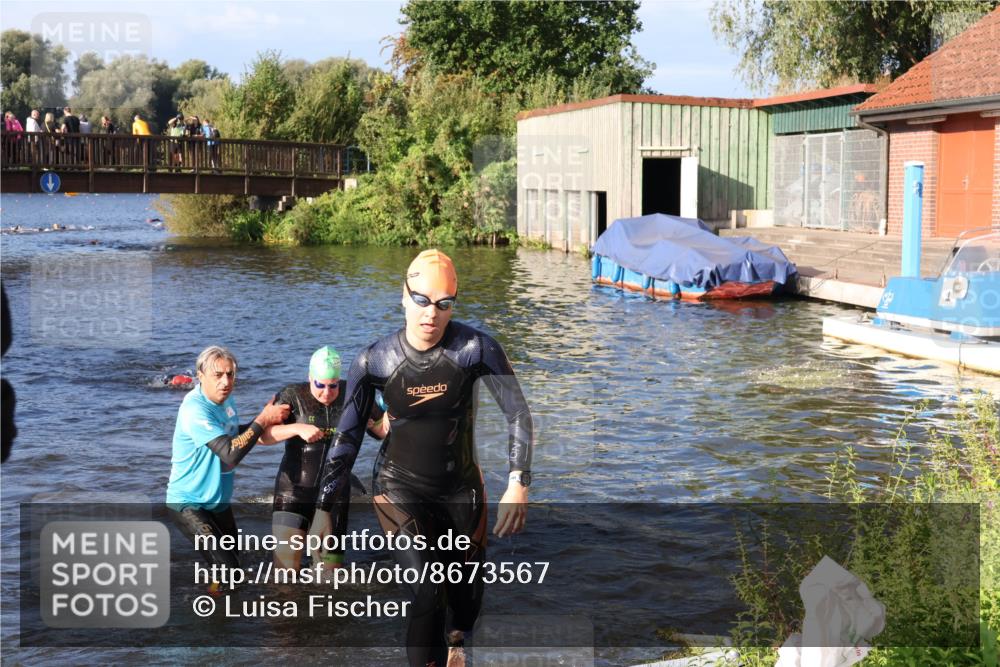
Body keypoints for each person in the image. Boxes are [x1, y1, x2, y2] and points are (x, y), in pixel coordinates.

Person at [314, 249, 533, 667]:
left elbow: (518, 413)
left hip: (460, 488)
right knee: (429, 588)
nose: (431, 314)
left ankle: (455, 642)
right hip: (398, 485)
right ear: (404, 295)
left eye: (444, 304)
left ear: (453, 304)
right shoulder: (374, 360)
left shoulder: (476, 349)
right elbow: (347, 437)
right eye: (421, 301)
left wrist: (518, 481)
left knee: (465, 602)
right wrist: (324, 506)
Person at [166, 346, 290, 571]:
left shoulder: (227, 401)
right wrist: (262, 419)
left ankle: (220, 597)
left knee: (235, 564)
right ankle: (208, 603)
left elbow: (236, 435)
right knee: (228, 569)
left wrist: (269, 422)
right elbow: (230, 452)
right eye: (218, 375)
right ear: (200, 377)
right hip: (188, 503)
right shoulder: (195, 409)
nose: (225, 382)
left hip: (218, 502)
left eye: (230, 374)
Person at [265, 346, 385, 571]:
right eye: (319, 385)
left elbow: (381, 431)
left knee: (329, 577)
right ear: (310, 377)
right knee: (286, 573)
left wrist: (386, 414)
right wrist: (297, 429)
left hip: (335, 496)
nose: (326, 392)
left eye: (332, 385)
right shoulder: (292, 395)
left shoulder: (354, 394)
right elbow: (263, 437)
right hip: (293, 491)